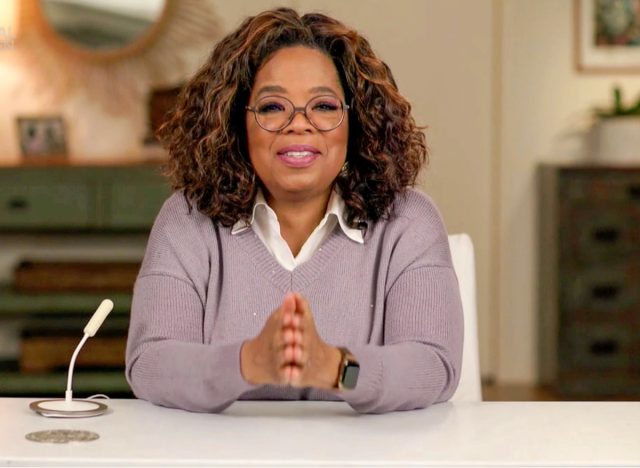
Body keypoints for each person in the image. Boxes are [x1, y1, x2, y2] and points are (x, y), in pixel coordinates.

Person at [125, 7, 463, 414]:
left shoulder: (408, 221)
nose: (298, 125)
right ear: (236, 121)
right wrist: (249, 363)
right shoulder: (186, 219)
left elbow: (433, 367)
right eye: (272, 107)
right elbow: (150, 363)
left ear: (357, 122)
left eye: (323, 106)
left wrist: (334, 368)